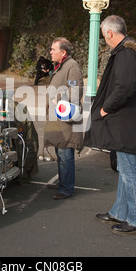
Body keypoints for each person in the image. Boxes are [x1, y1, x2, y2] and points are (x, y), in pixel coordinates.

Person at [84, 15, 136, 236]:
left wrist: (105, 108)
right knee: (126, 170)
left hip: (126, 124)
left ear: (110, 33)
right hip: (131, 122)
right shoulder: (132, 52)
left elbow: (125, 87)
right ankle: (120, 212)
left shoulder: (125, 53)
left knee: (127, 173)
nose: (105, 40)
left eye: (104, 35)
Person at [43, 37, 84, 200]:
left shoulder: (71, 66)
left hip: (65, 119)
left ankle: (66, 188)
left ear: (63, 52)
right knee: (61, 151)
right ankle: (63, 183)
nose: (51, 52)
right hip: (60, 118)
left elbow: (76, 91)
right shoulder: (62, 66)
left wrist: (57, 98)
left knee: (65, 152)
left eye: (53, 49)